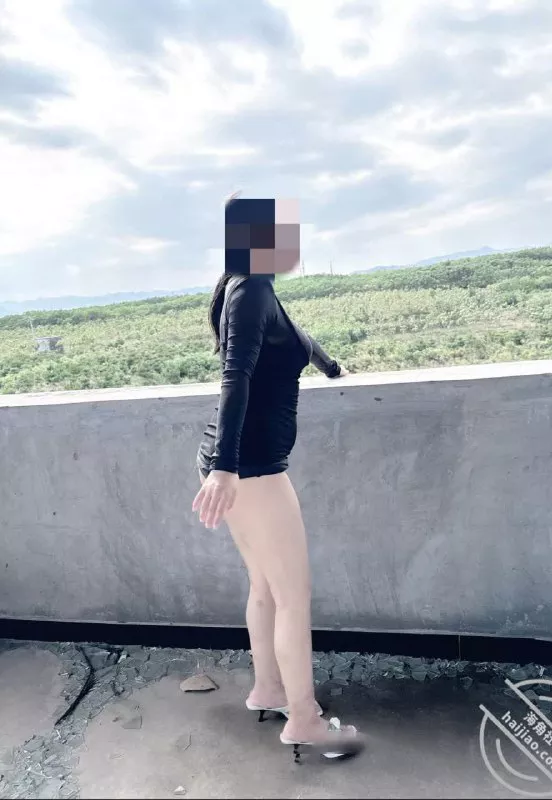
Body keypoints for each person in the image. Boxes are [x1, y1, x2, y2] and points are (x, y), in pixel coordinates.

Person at [192, 196, 364, 762]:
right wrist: (226, 467)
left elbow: (294, 338)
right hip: (252, 467)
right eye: (281, 233)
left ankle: (268, 688)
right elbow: (234, 377)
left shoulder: (252, 289)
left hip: (243, 463)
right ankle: (305, 720)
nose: (292, 242)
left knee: (265, 586)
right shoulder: (250, 291)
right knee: (294, 596)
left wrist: (330, 365)